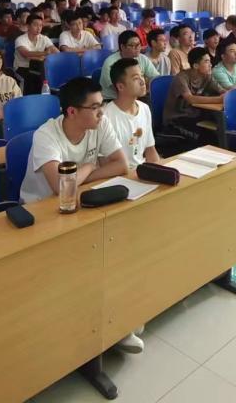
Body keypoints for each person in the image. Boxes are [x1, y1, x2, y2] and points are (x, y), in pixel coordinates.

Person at [17, 76, 140, 352]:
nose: (101, 112)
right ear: (72, 111)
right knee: (85, 266)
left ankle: (116, 321)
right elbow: (60, 188)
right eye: (94, 107)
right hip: (42, 211)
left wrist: (79, 175)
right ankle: (99, 330)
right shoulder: (46, 135)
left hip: (81, 202)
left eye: (102, 105)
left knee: (114, 250)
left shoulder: (99, 123)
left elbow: (120, 165)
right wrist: (89, 167)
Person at [103, 58, 160, 169]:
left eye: (142, 76)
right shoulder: (106, 116)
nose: (143, 81)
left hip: (142, 171)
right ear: (120, 86)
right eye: (135, 78)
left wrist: (160, 171)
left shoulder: (145, 108)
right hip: (119, 175)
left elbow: (150, 151)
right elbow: (104, 162)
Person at [162, 47, 224, 141]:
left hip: (194, 115)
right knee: (207, 137)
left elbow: (222, 91)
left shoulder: (207, 76)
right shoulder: (181, 78)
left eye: (210, 61)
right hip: (177, 119)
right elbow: (190, 99)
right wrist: (218, 99)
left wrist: (228, 95)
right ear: (195, 65)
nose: (210, 65)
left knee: (220, 126)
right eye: (206, 61)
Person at [99, 30, 159, 100]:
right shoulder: (110, 62)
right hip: (113, 99)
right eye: (133, 45)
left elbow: (155, 78)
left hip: (136, 96)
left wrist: (147, 87)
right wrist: (143, 84)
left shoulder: (142, 58)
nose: (137, 48)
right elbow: (118, 88)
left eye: (139, 44)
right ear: (122, 47)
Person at [15, 14, 58, 94]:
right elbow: (26, 54)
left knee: (45, 69)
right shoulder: (20, 39)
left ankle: (49, 92)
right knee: (38, 73)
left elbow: (56, 52)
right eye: (35, 25)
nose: (39, 28)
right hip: (23, 68)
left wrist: (43, 56)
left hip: (39, 66)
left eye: (41, 25)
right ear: (28, 26)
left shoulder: (44, 38)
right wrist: (45, 53)